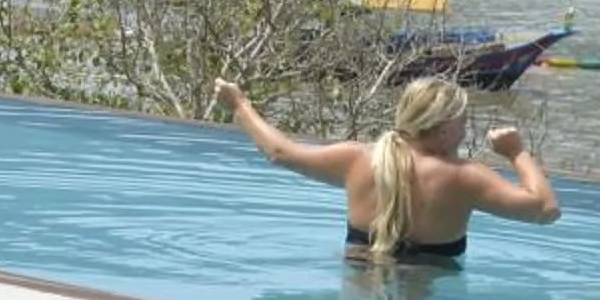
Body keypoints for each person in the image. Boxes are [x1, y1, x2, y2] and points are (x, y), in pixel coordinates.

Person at [213, 75, 560, 262]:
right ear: (443, 130)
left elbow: (279, 152)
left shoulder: (357, 159)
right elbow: (545, 210)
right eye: (463, 122)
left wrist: (240, 105)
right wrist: (516, 153)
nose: (466, 130)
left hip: (358, 298)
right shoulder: (466, 178)